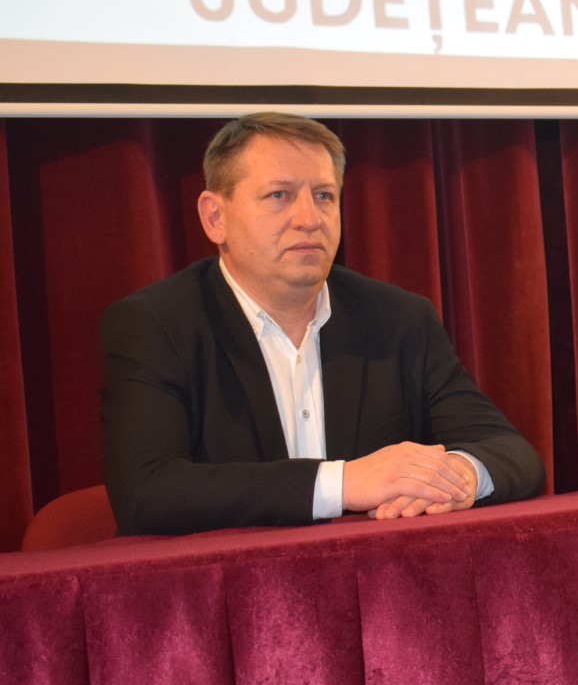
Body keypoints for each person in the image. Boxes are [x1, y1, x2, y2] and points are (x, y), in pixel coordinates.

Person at [100, 112, 543, 535]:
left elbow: (512, 454)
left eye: (324, 196)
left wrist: (454, 477)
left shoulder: (399, 320)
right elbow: (147, 491)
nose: (309, 219)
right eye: (279, 195)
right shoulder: (155, 325)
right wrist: (344, 483)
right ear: (215, 217)